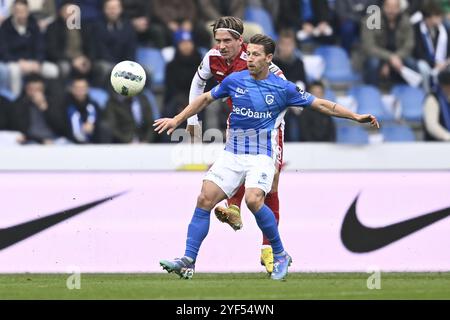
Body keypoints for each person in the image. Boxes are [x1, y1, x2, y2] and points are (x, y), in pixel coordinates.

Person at [154, 34, 379, 280]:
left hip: (262, 155)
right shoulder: (234, 80)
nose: (250, 59)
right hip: (233, 153)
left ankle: (280, 253)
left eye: (256, 55)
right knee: (205, 198)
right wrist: (178, 119)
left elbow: (321, 105)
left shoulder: (283, 88)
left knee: (253, 199)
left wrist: (355, 116)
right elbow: (206, 98)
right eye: (248, 54)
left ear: (269, 58)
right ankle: (188, 260)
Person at [185, 16, 285, 274]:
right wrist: (192, 119)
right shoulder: (211, 58)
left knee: (270, 186)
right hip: (238, 120)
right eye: (217, 40)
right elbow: (198, 84)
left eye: (226, 40)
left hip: (268, 127)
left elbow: (284, 90)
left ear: (241, 41)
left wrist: (272, 122)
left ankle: (269, 250)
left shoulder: (256, 60)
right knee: (237, 164)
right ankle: (233, 209)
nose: (220, 45)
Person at [423, 69, 450, 141]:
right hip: (435, 145)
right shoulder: (432, 98)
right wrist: (447, 136)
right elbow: (432, 126)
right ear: (444, 85)